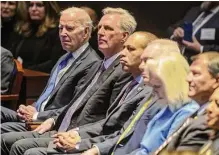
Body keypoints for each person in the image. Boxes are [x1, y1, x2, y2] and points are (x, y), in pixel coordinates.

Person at [1, 7, 136, 155]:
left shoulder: (121, 71)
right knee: (9, 140)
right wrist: (52, 120)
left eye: (108, 28)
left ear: (124, 36)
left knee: (23, 148)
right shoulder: (98, 65)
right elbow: (73, 105)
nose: (101, 32)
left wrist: (75, 134)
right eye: (101, 27)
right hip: (57, 125)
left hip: (79, 136)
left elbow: (109, 120)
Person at [46, 31, 161, 154]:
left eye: (131, 49)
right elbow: (108, 121)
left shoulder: (150, 91)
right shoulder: (130, 83)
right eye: (124, 48)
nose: (123, 53)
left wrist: (84, 146)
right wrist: (76, 133)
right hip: (94, 140)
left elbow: (124, 135)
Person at [1, 7, 101, 133]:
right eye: (60, 28)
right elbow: (47, 96)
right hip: (34, 115)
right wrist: (30, 108)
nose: (63, 33)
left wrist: (36, 115)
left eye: (69, 28)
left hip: (48, 123)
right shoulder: (64, 58)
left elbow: (73, 108)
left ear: (86, 32)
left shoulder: (92, 63)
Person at [155, 52, 219, 154]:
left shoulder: (210, 121)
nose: (188, 79)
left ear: (216, 80)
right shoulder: (196, 113)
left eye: (195, 74)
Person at [10, 1, 65, 73]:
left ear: (48, 9)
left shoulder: (57, 31)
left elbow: (55, 62)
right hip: (20, 77)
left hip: (41, 79)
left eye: (39, 5)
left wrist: (26, 70)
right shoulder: (23, 30)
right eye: (31, 5)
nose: (33, 9)